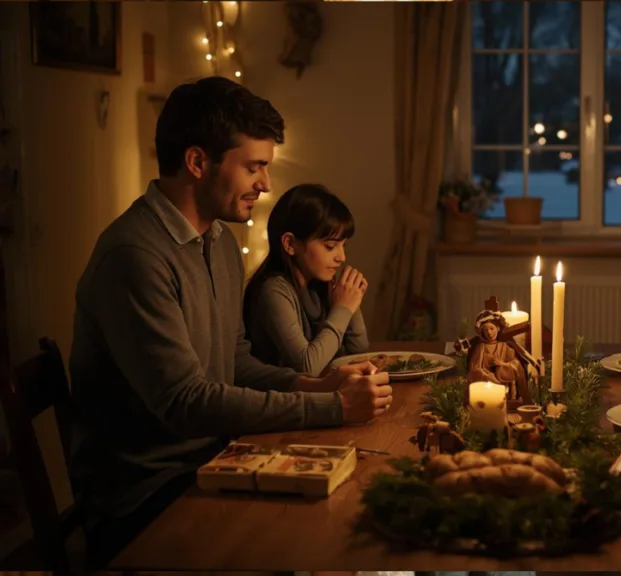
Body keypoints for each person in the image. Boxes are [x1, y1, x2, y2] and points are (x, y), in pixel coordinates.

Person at [68, 77, 392, 567]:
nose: (265, 184)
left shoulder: (219, 242)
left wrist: (318, 384)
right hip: (150, 497)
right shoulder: (134, 257)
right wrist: (331, 408)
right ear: (198, 162)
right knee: (323, 544)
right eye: (254, 167)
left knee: (361, 515)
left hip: (216, 460)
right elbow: (184, 402)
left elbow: (234, 361)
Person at [243, 184, 371, 376]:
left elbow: (359, 354)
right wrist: (343, 309)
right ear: (290, 244)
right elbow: (308, 366)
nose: (341, 257)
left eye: (343, 245)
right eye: (330, 246)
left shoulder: (319, 286)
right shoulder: (273, 290)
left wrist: (351, 302)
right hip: (281, 400)